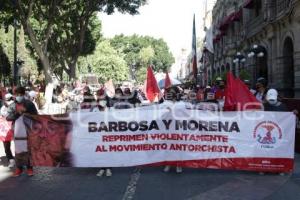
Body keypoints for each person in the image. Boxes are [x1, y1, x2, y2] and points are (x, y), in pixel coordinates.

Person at [6, 86, 38, 177]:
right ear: (15, 95)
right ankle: (19, 168)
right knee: (18, 150)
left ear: (24, 94)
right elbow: (8, 117)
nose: (18, 96)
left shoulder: (29, 104)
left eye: (20, 94)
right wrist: (18, 113)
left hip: (28, 130)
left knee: (28, 149)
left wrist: (27, 114)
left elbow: (36, 116)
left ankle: (29, 168)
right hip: (17, 132)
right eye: (17, 94)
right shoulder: (12, 105)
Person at [0, 93, 15, 168]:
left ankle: (12, 159)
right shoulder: (14, 105)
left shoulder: (6, 106)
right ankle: (13, 160)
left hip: (8, 128)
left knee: (7, 145)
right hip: (10, 128)